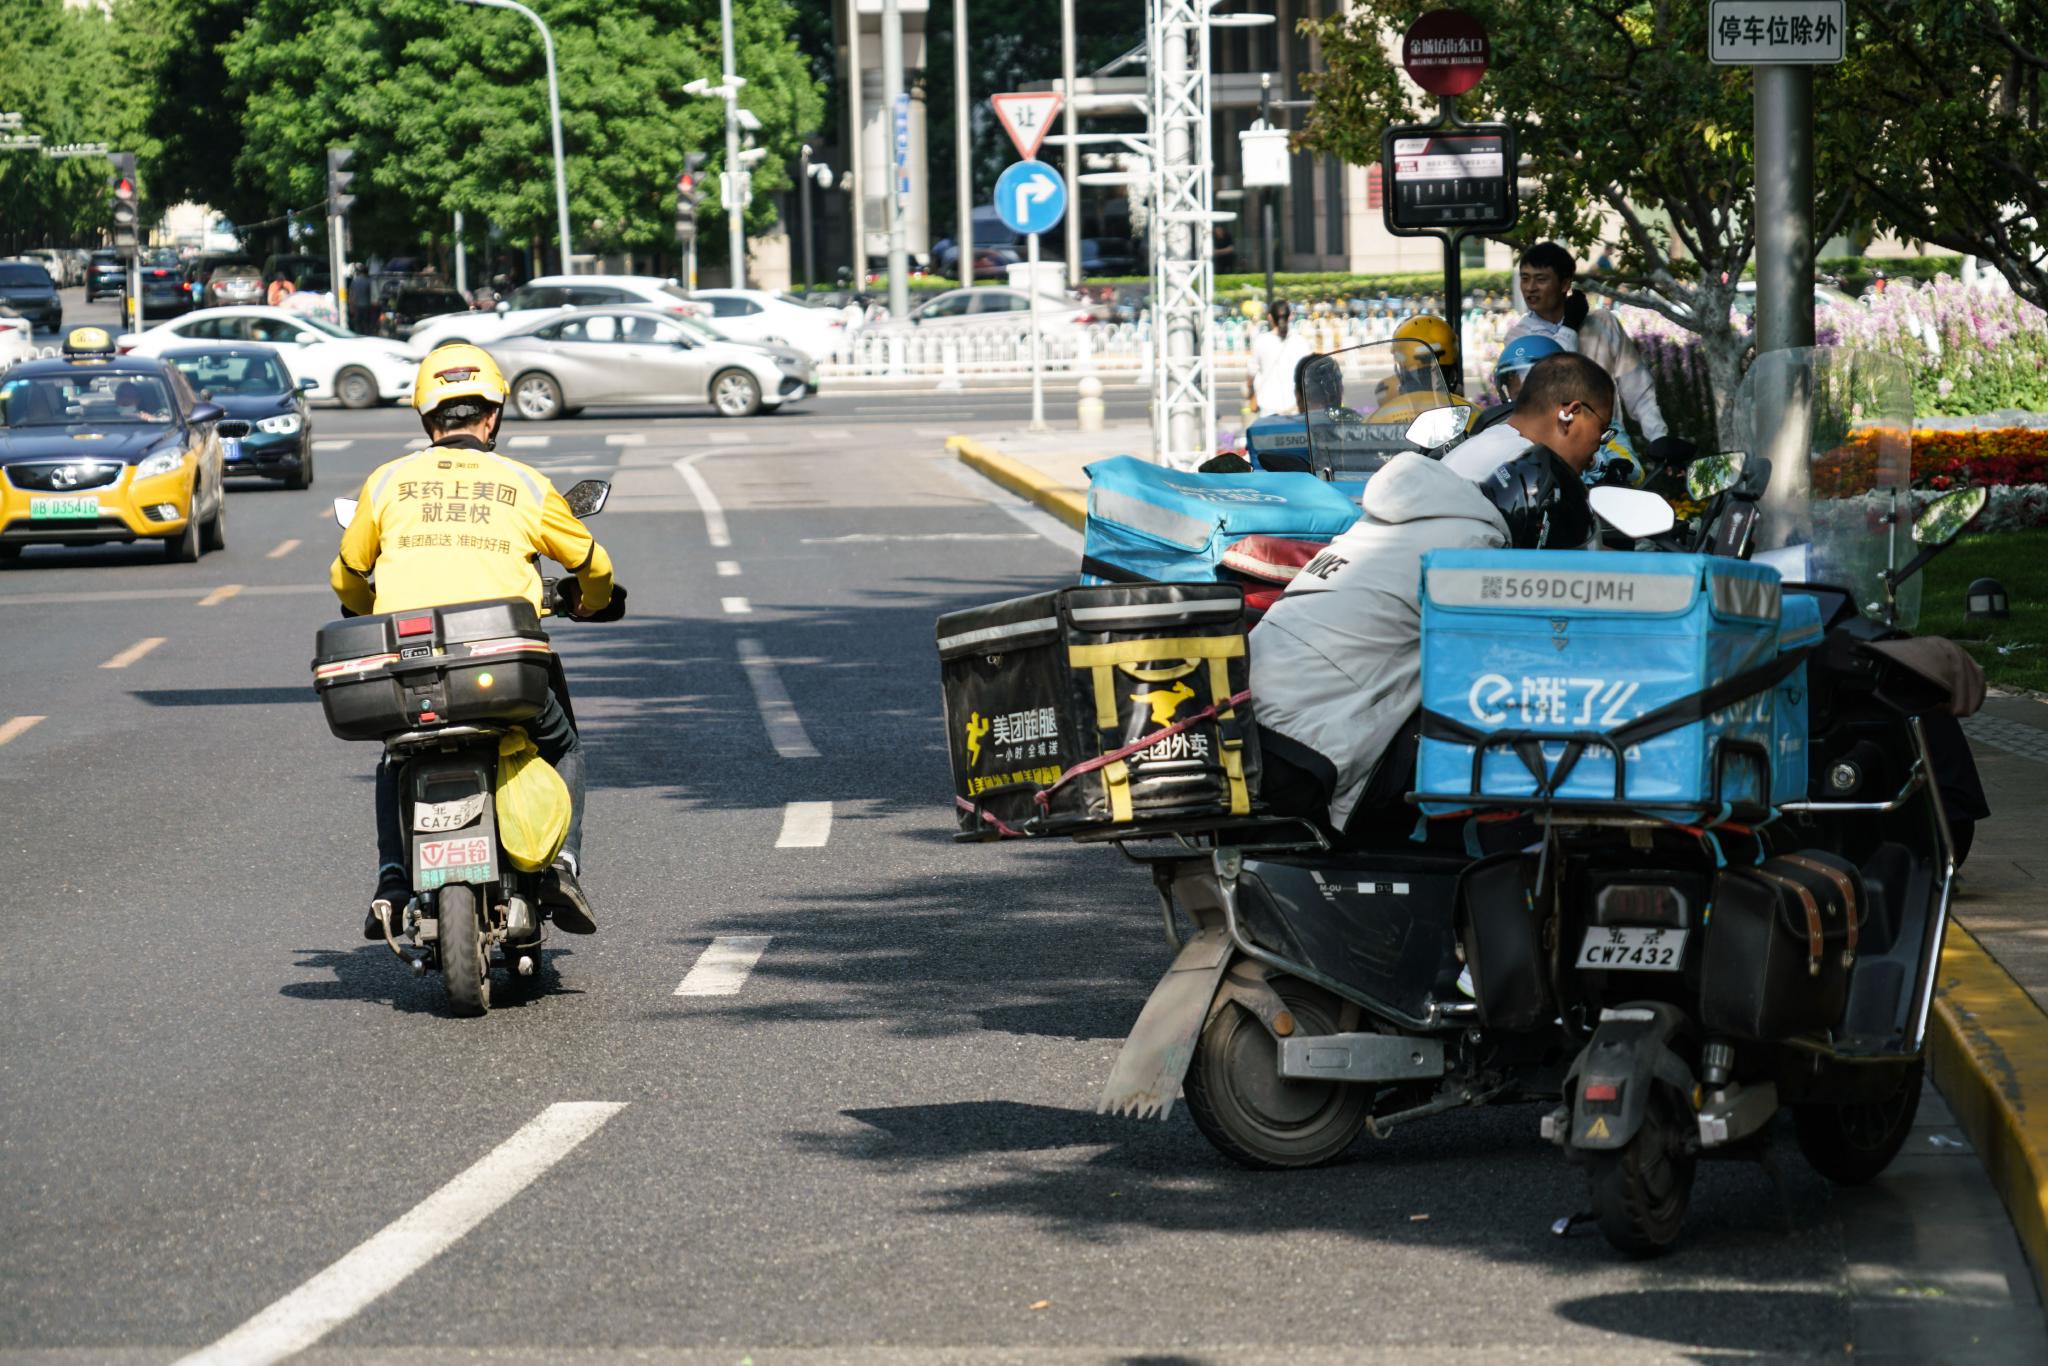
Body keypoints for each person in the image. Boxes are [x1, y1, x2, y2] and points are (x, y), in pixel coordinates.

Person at [330, 343, 614, 940]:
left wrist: (368, 609)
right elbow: (592, 562)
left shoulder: (387, 483)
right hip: (504, 665)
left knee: (396, 755)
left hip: (407, 668)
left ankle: (390, 879)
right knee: (563, 747)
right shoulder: (524, 484)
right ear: (492, 418)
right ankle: (561, 865)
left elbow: (347, 576)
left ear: (428, 421)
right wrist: (589, 601)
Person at [1251, 445, 1593, 839]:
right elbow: (1505, 669)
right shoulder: (1473, 549)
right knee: (1489, 727)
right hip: (1304, 754)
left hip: (1250, 726)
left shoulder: (1409, 515)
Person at [1508, 242, 1673, 449]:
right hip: (1552, 453)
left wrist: (1658, 436)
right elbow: (1548, 393)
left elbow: (1637, 389)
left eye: (1541, 279)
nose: (1530, 288)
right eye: (1525, 278)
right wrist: (1569, 329)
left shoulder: (1603, 323)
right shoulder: (1518, 337)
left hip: (1609, 447)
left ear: (1565, 284)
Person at [1441, 351, 1618, 484]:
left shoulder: (1493, 443)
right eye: (1602, 429)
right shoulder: (1526, 472)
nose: (1597, 446)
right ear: (1569, 415)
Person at [1247, 299, 1312, 416]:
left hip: (1268, 407)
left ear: (1270, 318)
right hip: (1295, 407)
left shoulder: (1260, 341)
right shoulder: (1301, 342)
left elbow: (1251, 374)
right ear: (1290, 317)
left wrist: (1250, 393)